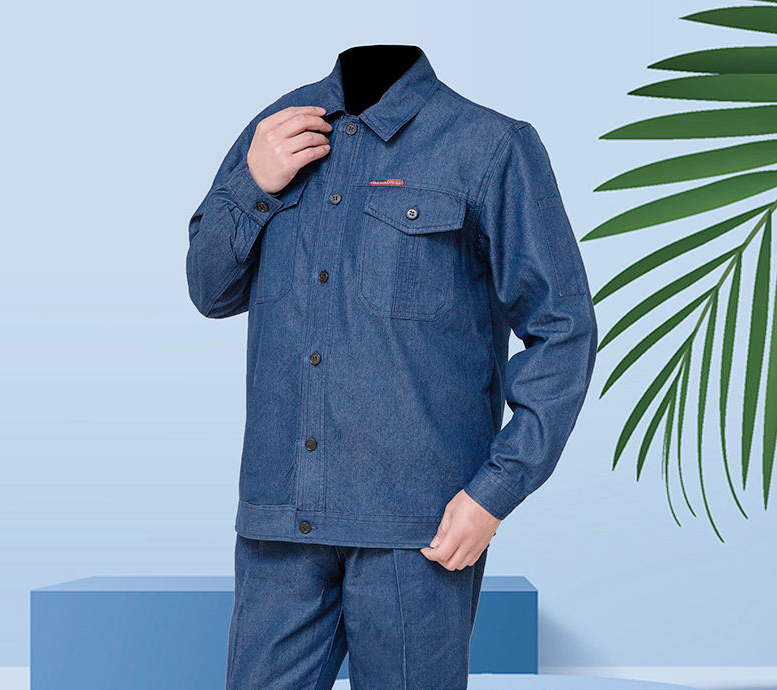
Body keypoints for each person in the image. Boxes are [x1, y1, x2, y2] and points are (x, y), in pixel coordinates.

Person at [186, 44, 598, 690]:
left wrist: (495, 492)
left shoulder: (490, 146)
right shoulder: (275, 129)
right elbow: (210, 290)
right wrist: (252, 186)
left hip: (420, 530)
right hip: (281, 522)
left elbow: (563, 328)